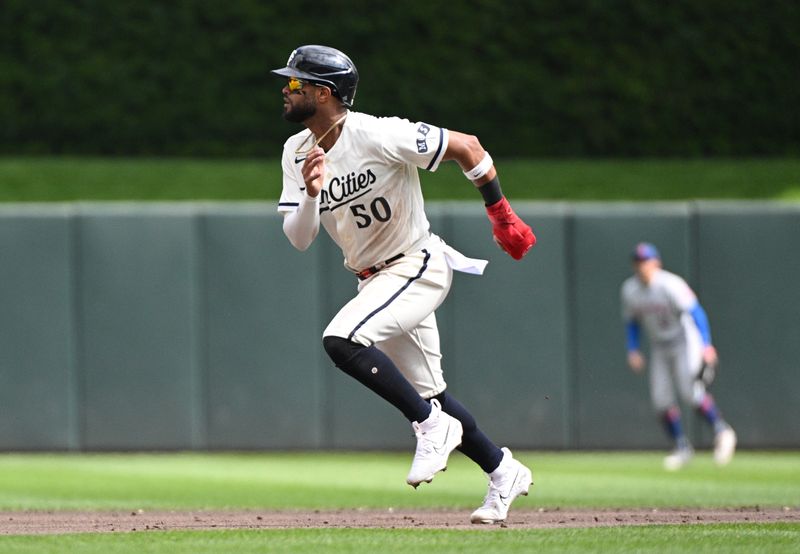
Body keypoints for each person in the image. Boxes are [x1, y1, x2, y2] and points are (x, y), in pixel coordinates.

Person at [271, 45, 536, 523]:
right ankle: (502, 470)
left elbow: (468, 147)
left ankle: (431, 426)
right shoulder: (296, 153)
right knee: (431, 393)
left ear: (325, 93)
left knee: (342, 340)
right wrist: (311, 195)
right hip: (373, 280)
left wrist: (502, 215)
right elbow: (299, 238)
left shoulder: (376, 132)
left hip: (415, 264)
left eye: (295, 83)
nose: (285, 90)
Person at [620, 242, 737, 470]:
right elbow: (632, 322)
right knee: (661, 400)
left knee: (690, 393)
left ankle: (722, 431)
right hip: (659, 346)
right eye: (639, 262)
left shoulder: (670, 284)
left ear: (657, 263)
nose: (643, 266)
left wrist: (706, 345)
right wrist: (633, 348)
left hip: (684, 340)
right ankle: (682, 447)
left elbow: (696, 313)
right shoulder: (630, 289)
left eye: (646, 261)